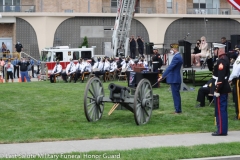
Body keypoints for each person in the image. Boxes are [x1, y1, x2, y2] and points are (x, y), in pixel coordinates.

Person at [211, 43, 231, 136]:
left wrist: (217, 90)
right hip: (223, 88)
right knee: (222, 109)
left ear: (220, 50)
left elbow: (221, 78)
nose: (214, 51)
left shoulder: (221, 61)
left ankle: (221, 130)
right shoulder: (223, 59)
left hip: (221, 89)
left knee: (220, 110)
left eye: (216, 49)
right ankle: (222, 129)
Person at [158, 43, 183, 114]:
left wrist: (162, 76)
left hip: (175, 79)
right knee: (176, 95)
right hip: (175, 78)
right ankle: (178, 109)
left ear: (175, 49)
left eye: (172, 49)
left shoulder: (176, 57)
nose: (171, 50)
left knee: (175, 95)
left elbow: (170, 68)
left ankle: (178, 110)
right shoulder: (178, 56)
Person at [228, 47, 240, 120]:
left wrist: (230, 79)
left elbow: (236, 71)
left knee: (238, 98)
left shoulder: (239, 59)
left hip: (238, 80)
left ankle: (239, 115)